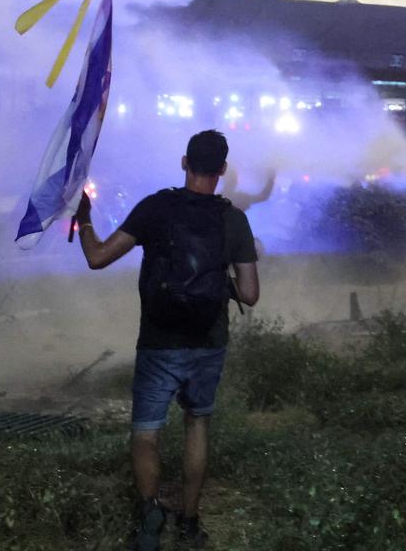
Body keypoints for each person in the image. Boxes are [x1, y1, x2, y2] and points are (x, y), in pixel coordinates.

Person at [73, 130, 259, 550]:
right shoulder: (234, 219)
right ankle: (190, 524)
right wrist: (220, 283)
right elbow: (249, 293)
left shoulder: (156, 208)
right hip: (208, 340)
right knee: (197, 424)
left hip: (159, 341)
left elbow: (97, 257)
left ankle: (150, 515)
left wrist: (83, 218)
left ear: (183, 162)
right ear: (223, 170)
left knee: (146, 432)